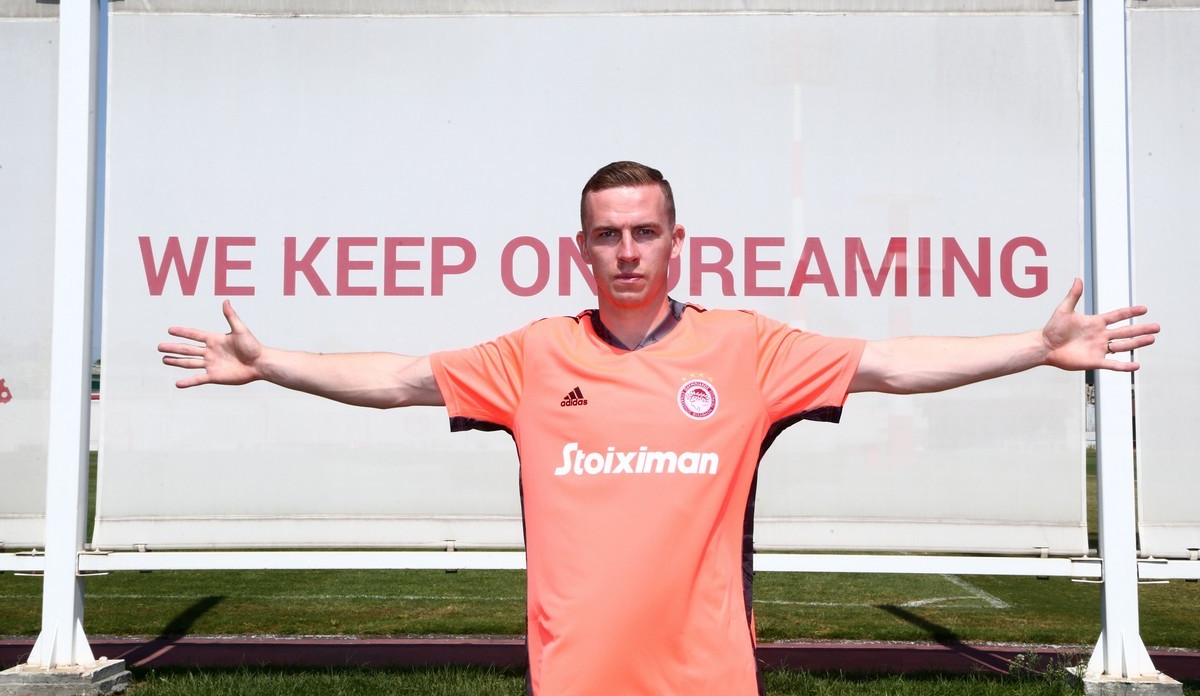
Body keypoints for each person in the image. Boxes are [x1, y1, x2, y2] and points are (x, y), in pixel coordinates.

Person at [159, 161, 1158, 696]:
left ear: (678, 242)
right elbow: (396, 381)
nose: (628, 250)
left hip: (708, 681)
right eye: (609, 234)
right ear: (582, 249)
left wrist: (1036, 346)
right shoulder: (535, 355)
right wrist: (271, 361)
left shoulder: (746, 348)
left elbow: (892, 364)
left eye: (645, 231)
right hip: (574, 679)